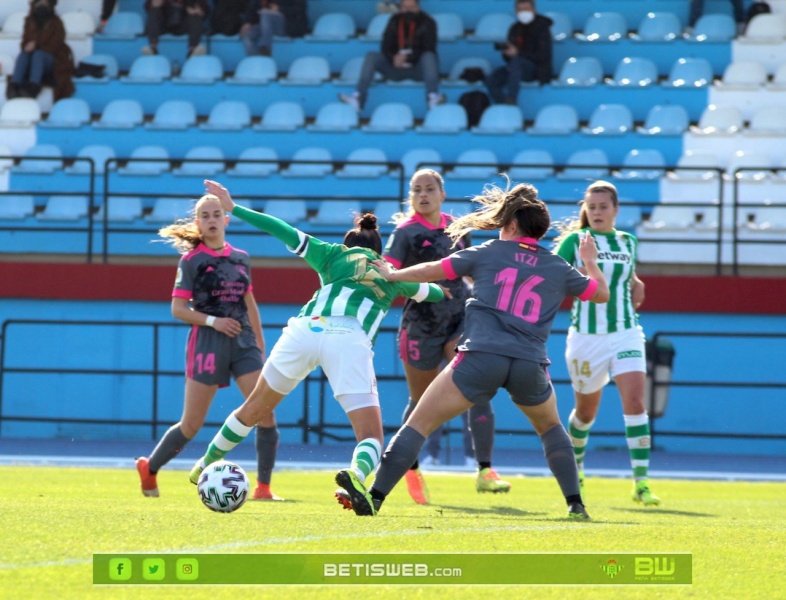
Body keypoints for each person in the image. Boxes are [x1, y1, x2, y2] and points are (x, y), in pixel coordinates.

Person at [336, 181, 610, 518]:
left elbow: (433, 270)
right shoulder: (557, 266)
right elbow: (600, 294)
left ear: (510, 225)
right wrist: (590, 262)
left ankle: (375, 497)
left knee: (418, 423)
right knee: (552, 429)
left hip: (480, 358)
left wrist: (393, 275)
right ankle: (576, 505)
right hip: (529, 364)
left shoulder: (489, 251)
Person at [188, 180, 445, 499]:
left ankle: (203, 464)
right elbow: (433, 292)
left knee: (252, 408)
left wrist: (234, 208)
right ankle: (355, 474)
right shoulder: (390, 271)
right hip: (349, 337)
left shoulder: (332, 254)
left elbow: (281, 229)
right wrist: (416, 280)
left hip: (305, 328)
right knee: (371, 437)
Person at [135, 192, 282, 501]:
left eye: (217, 214)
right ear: (198, 223)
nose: (212, 220)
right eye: (206, 216)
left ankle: (264, 489)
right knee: (191, 424)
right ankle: (150, 468)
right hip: (207, 343)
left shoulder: (241, 257)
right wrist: (214, 322)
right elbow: (178, 309)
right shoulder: (191, 261)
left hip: (243, 344)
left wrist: (259, 341)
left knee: (264, 412)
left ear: (226, 220)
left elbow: (249, 301)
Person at [380, 168, 510, 503]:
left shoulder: (457, 228)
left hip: (459, 322)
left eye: (429, 189)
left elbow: (466, 272)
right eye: (416, 190)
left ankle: (485, 470)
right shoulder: (405, 233)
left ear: (442, 193)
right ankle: (410, 470)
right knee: (421, 403)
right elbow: (386, 274)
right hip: (420, 326)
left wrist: (479, 297)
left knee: (478, 390)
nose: (423, 195)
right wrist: (425, 290)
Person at [554, 181, 661, 507]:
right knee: (586, 414)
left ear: (616, 210)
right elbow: (553, 275)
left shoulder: (628, 241)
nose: (597, 212)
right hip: (586, 337)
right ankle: (578, 471)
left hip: (626, 332)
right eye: (592, 206)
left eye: (603, 206)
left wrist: (637, 281)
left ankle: (641, 482)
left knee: (635, 403)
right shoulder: (575, 241)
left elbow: (625, 276)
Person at [339, 0, 445, 113]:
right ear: (400, 7)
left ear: (418, 7)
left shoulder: (428, 22)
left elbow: (429, 47)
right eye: (405, 8)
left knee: (429, 56)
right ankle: (358, 98)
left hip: (417, 69)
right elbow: (385, 46)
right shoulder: (394, 20)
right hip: (395, 68)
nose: (408, 11)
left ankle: (432, 97)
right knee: (371, 56)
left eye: (412, 7)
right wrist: (393, 58)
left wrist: (408, 57)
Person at [484, 0, 553, 105]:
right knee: (492, 79)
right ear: (516, 12)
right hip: (515, 68)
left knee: (517, 62)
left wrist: (518, 53)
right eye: (520, 9)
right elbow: (509, 59)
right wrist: (507, 53)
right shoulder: (515, 28)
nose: (523, 12)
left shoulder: (542, 27)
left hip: (536, 69)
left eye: (526, 9)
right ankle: (504, 103)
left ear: (534, 10)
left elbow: (543, 55)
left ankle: (512, 98)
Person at [6, 0, 74, 101]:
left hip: (52, 60)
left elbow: (56, 46)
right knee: (23, 55)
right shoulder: (29, 21)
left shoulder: (57, 23)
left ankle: (33, 87)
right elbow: (24, 41)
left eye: (45, 3)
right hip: (32, 58)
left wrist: (36, 46)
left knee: (38, 55)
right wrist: (26, 47)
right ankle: (15, 86)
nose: (42, 5)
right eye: (39, 2)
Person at [142, 0, 210, 58]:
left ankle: (193, 51)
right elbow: (148, 6)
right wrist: (154, 4)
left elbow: (205, 9)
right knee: (154, 11)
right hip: (164, 25)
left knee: (195, 17)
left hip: (183, 25)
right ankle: (153, 48)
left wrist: (199, 11)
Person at [240, 0, 308, 57]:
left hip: (288, 24)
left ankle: (266, 48)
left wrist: (280, 9)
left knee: (266, 14)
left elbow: (300, 8)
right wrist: (247, 22)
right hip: (265, 25)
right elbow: (252, 8)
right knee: (248, 34)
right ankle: (257, 60)